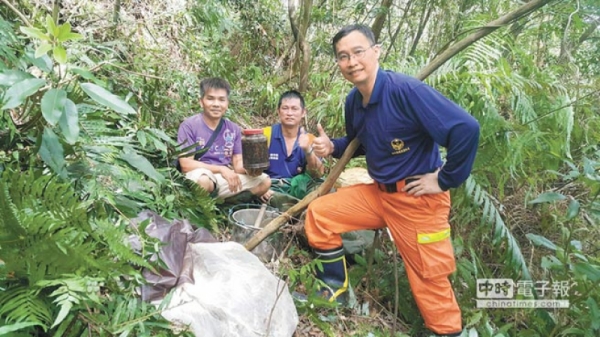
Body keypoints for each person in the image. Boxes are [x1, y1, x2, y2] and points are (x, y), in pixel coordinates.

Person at [305, 25, 480, 337]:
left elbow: (466, 129)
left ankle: (445, 332)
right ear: (338, 64)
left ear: (376, 51)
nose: (352, 61)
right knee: (320, 214)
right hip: (379, 196)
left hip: (417, 201)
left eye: (358, 52)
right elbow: (363, 143)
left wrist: (444, 180)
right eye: (343, 56)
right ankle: (335, 291)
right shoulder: (353, 101)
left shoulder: (405, 91)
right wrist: (333, 146)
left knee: (429, 277)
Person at [177, 77, 271, 202]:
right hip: (201, 175)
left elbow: (238, 165)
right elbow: (186, 165)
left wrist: (252, 169)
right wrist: (222, 169)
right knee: (203, 181)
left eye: (221, 100)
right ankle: (211, 206)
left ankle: (227, 203)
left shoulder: (233, 128)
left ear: (227, 104)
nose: (216, 104)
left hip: (225, 178)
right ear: (201, 101)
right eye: (210, 99)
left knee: (265, 181)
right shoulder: (189, 126)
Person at [260, 90, 324, 205]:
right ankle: (298, 207)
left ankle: (294, 205)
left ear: (303, 112)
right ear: (278, 111)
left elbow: (318, 174)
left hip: (297, 188)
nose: (289, 113)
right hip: (270, 188)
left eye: (294, 109)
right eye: (285, 108)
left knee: (323, 188)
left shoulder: (310, 139)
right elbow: (249, 170)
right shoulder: (265, 135)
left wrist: (308, 150)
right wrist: (259, 187)